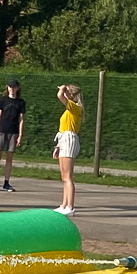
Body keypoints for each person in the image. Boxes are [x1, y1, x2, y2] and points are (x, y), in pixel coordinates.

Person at [0, 78, 25, 190]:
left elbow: (21, 119)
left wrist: (20, 134)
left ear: (18, 88)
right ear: (7, 88)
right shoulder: (3, 101)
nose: (12, 89)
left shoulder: (21, 102)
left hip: (13, 131)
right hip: (2, 130)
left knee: (9, 156)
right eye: (10, 87)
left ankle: (6, 182)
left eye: (14, 87)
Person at [55, 84, 83, 214]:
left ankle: (70, 206)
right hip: (63, 139)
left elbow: (59, 96)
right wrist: (58, 146)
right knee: (64, 177)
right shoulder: (69, 109)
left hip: (69, 139)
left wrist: (62, 89)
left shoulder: (75, 107)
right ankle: (64, 204)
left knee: (68, 177)